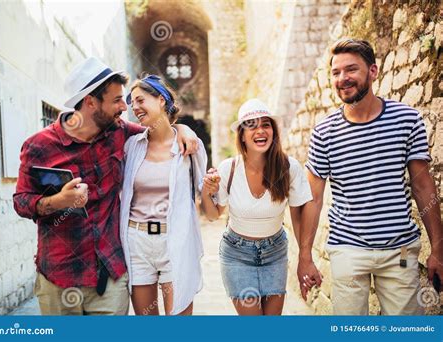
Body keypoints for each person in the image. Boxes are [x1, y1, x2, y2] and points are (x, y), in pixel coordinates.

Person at [13, 57, 198, 315]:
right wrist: (59, 202)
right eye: (116, 100)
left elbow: (159, 132)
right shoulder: (39, 146)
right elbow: (21, 201)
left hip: (109, 276)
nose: (125, 107)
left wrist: (184, 128)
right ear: (90, 102)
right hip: (59, 277)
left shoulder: (120, 132)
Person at [299, 39, 443, 315]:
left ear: (373, 71)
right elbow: (313, 198)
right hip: (347, 250)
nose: (342, 79)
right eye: (336, 72)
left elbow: (424, 186)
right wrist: (305, 256)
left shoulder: (407, 120)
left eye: (351, 69)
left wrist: (438, 248)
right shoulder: (324, 132)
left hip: (400, 250)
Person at [201, 98, 313, 315]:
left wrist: (305, 257)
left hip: (275, 253)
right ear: (242, 135)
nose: (260, 130)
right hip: (237, 255)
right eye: (251, 125)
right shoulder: (228, 169)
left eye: (265, 124)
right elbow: (214, 215)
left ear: (273, 131)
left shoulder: (289, 167)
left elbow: (301, 211)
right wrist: (207, 190)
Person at [120, 74, 207, 315]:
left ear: (161, 100)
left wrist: (182, 128)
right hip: (137, 242)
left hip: (175, 239)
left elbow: (205, 195)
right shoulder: (131, 146)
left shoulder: (189, 146)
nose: (134, 107)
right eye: (131, 102)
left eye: (140, 100)